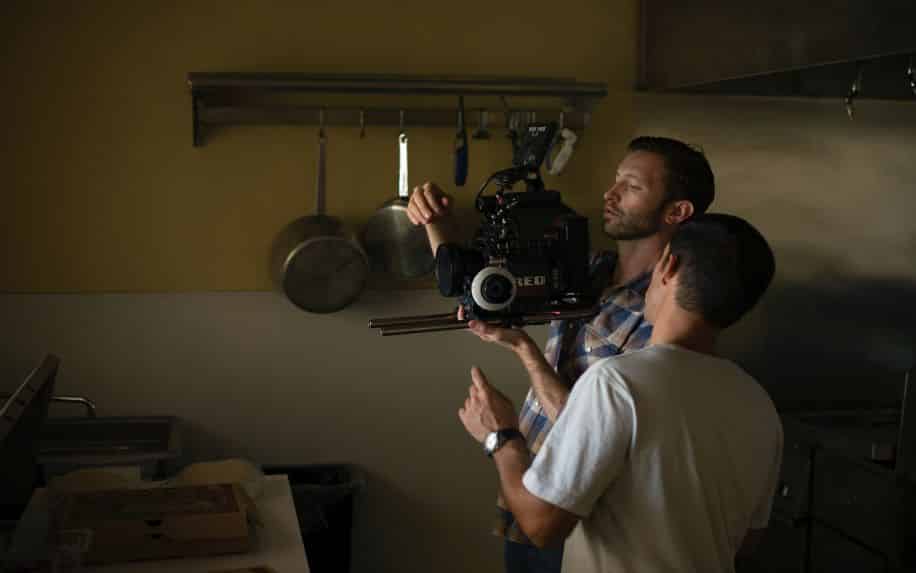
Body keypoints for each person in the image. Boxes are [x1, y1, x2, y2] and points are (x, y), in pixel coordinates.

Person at [407, 136, 715, 573]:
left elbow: (599, 427)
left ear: (677, 211)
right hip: (527, 488)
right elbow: (474, 286)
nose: (611, 194)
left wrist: (522, 352)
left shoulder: (670, 308)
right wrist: (434, 223)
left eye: (631, 186)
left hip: (581, 524)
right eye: (615, 181)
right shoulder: (585, 270)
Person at [458, 213, 782, 573]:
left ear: (667, 266)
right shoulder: (759, 403)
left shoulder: (615, 383)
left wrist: (500, 436)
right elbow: (748, 541)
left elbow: (540, 525)